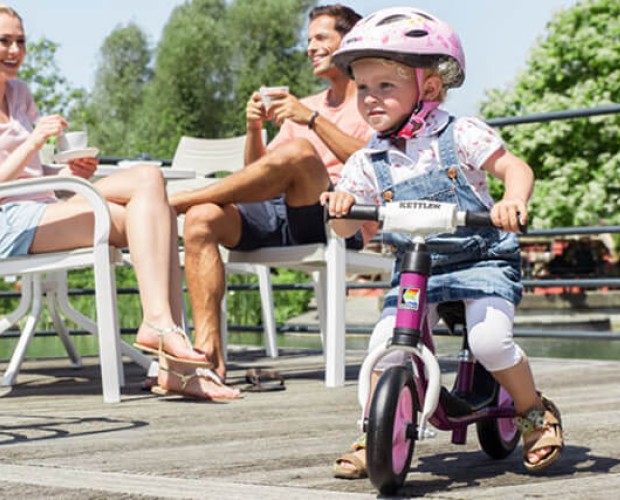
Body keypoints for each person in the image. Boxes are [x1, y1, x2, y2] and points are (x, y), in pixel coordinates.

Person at [0, 2, 238, 401]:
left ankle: (166, 342)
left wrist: (68, 175)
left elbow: (33, 177)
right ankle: (172, 353)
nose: (14, 50)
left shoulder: (20, 93)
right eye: (5, 41)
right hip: (2, 223)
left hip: (45, 208)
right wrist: (33, 142)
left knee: (151, 184)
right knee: (153, 213)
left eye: (21, 42)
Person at [320, 7, 564, 478]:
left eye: (385, 86)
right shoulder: (368, 159)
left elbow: (515, 167)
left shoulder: (460, 134)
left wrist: (512, 200)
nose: (370, 98)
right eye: (363, 87)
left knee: (491, 342)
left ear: (428, 88)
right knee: (383, 346)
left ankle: (534, 413)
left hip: (481, 258)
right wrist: (342, 208)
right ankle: (374, 428)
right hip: (416, 268)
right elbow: (347, 232)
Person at [170, 4, 375, 389]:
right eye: (308, 39)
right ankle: (207, 358)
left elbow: (373, 163)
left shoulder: (373, 99)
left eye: (321, 38)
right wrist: (253, 130)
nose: (311, 47)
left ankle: (182, 199)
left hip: (338, 218)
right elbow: (257, 175)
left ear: (348, 43)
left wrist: (312, 121)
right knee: (201, 220)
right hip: (280, 212)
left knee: (299, 154)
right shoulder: (307, 103)